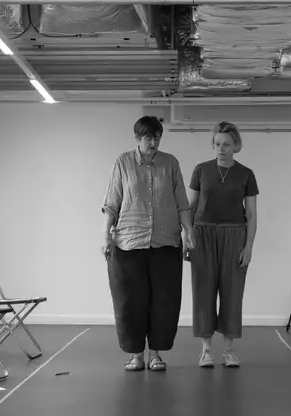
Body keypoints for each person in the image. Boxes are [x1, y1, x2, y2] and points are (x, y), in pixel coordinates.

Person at [102, 117, 195, 371]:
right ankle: (136, 355)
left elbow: (181, 202)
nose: (153, 143)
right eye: (148, 138)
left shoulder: (170, 163)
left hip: (166, 242)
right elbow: (112, 202)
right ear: (137, 138)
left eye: (157, 137)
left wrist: (189, 233)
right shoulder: (123, 162)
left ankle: (155, 355)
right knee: (131, 301)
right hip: (129, 243)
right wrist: (105, 236)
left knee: (164, 301)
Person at [186, 122, 259, 368]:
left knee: (232, 292)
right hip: (202, 234)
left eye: (226, 144)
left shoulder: (246, 174)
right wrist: (187, 235)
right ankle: (206, 350)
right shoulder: (201, 170)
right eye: (217, 144)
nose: (221, 149)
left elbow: (251, 214)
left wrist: (248, 247)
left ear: (235, 146)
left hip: (234, 235)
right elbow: (191, 206)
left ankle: (229, 350)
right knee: (203, 291)